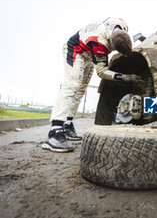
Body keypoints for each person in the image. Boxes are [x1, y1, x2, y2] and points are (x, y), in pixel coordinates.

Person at [42, 17, 140, 153]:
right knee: (72, 86)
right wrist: (123, 77)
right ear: (110, 43)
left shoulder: (122, 24)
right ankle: (55, 131)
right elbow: (102, 72)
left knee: (81, 89)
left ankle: (68, 124)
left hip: (89, 51)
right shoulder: (100, 43)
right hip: (76, 49)